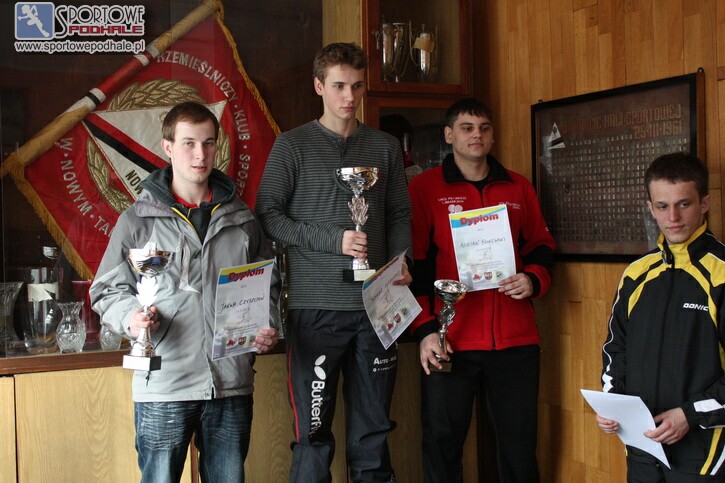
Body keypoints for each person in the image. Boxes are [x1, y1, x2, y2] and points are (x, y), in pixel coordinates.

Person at [89, 101, 279, 483]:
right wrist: (131, 318)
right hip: (164, 384)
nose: (200, 155)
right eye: (189, 143)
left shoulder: (242, 218)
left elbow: (268, 285)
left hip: (230, 384)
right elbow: (106, 290)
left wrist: (267, 325)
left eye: (208, 143)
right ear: (168, 147)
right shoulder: (137, 220)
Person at [255, 42, 411, 482]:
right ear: (319, 86)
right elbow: (267, 215)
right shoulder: (292, 146)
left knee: (374, 431)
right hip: (316, 309)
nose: (349, 96)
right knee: (313, 433)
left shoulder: (384, 147)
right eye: (339, 86)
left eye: (357, 86)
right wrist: (333, 241)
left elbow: (399, 213)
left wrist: (402, 261)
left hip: (379, 307)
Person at [407, 97, 556, 483]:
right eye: (467, 128)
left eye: (484, 128)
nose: (477, 135)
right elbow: (416, 267)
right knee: (442, 444)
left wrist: (533, 279)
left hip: (515, 341)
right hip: (450, 340)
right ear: (449, 135)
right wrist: (426, 331)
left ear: (492, 135)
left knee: (519, 448)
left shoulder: (518, 187)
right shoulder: (425, 189)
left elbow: (542, 246)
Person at [596, 152, 725, 480]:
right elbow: (615, 351)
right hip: (642, 454)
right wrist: (612, 404)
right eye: (663, 206)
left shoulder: (721, 275)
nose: (673, 217)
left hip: (706, 458)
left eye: (684, 204)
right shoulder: (636, 274)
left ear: (705, 203)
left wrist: (690, 415)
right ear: (651, 208)